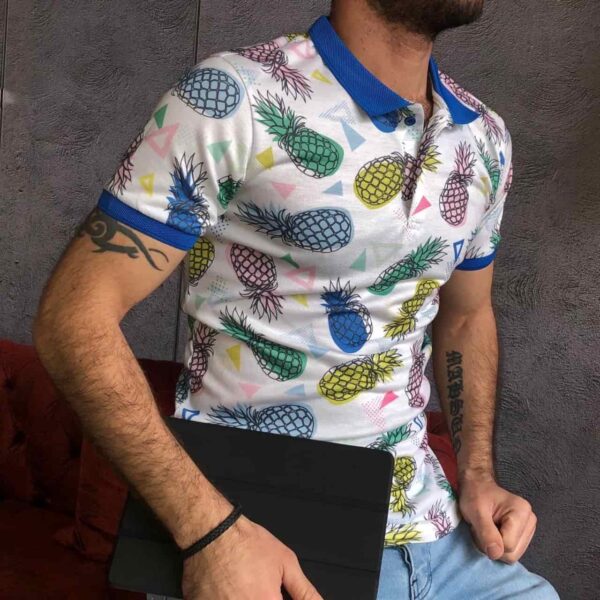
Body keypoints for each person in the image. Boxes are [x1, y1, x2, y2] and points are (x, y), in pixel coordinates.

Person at [33, 0, 561, 598]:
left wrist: (479, 476)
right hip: (268, 537)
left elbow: (466, 317)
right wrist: (210, 533)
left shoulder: (483, 137)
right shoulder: (234, 97)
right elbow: (73, 317)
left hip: (440, 538)